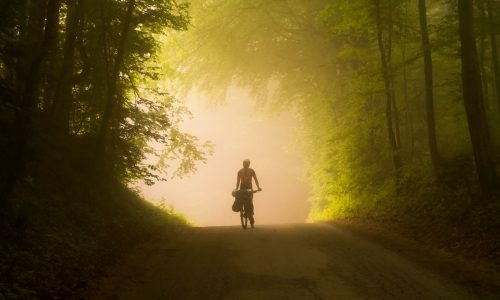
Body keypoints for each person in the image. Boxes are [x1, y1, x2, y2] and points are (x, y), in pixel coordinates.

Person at [236, 159, 262, 228]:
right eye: (244, 164)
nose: (245, 165)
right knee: (241, 201)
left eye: (246, 164)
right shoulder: (240, 171)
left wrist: (258, 187)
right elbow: (238, 181)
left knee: (249, 203)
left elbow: (255, 179)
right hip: (243, 189)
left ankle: (250, 218)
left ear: (248, 164)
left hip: (248, 189)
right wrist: (236, 189)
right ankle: (243, 211)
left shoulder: (251, 171)